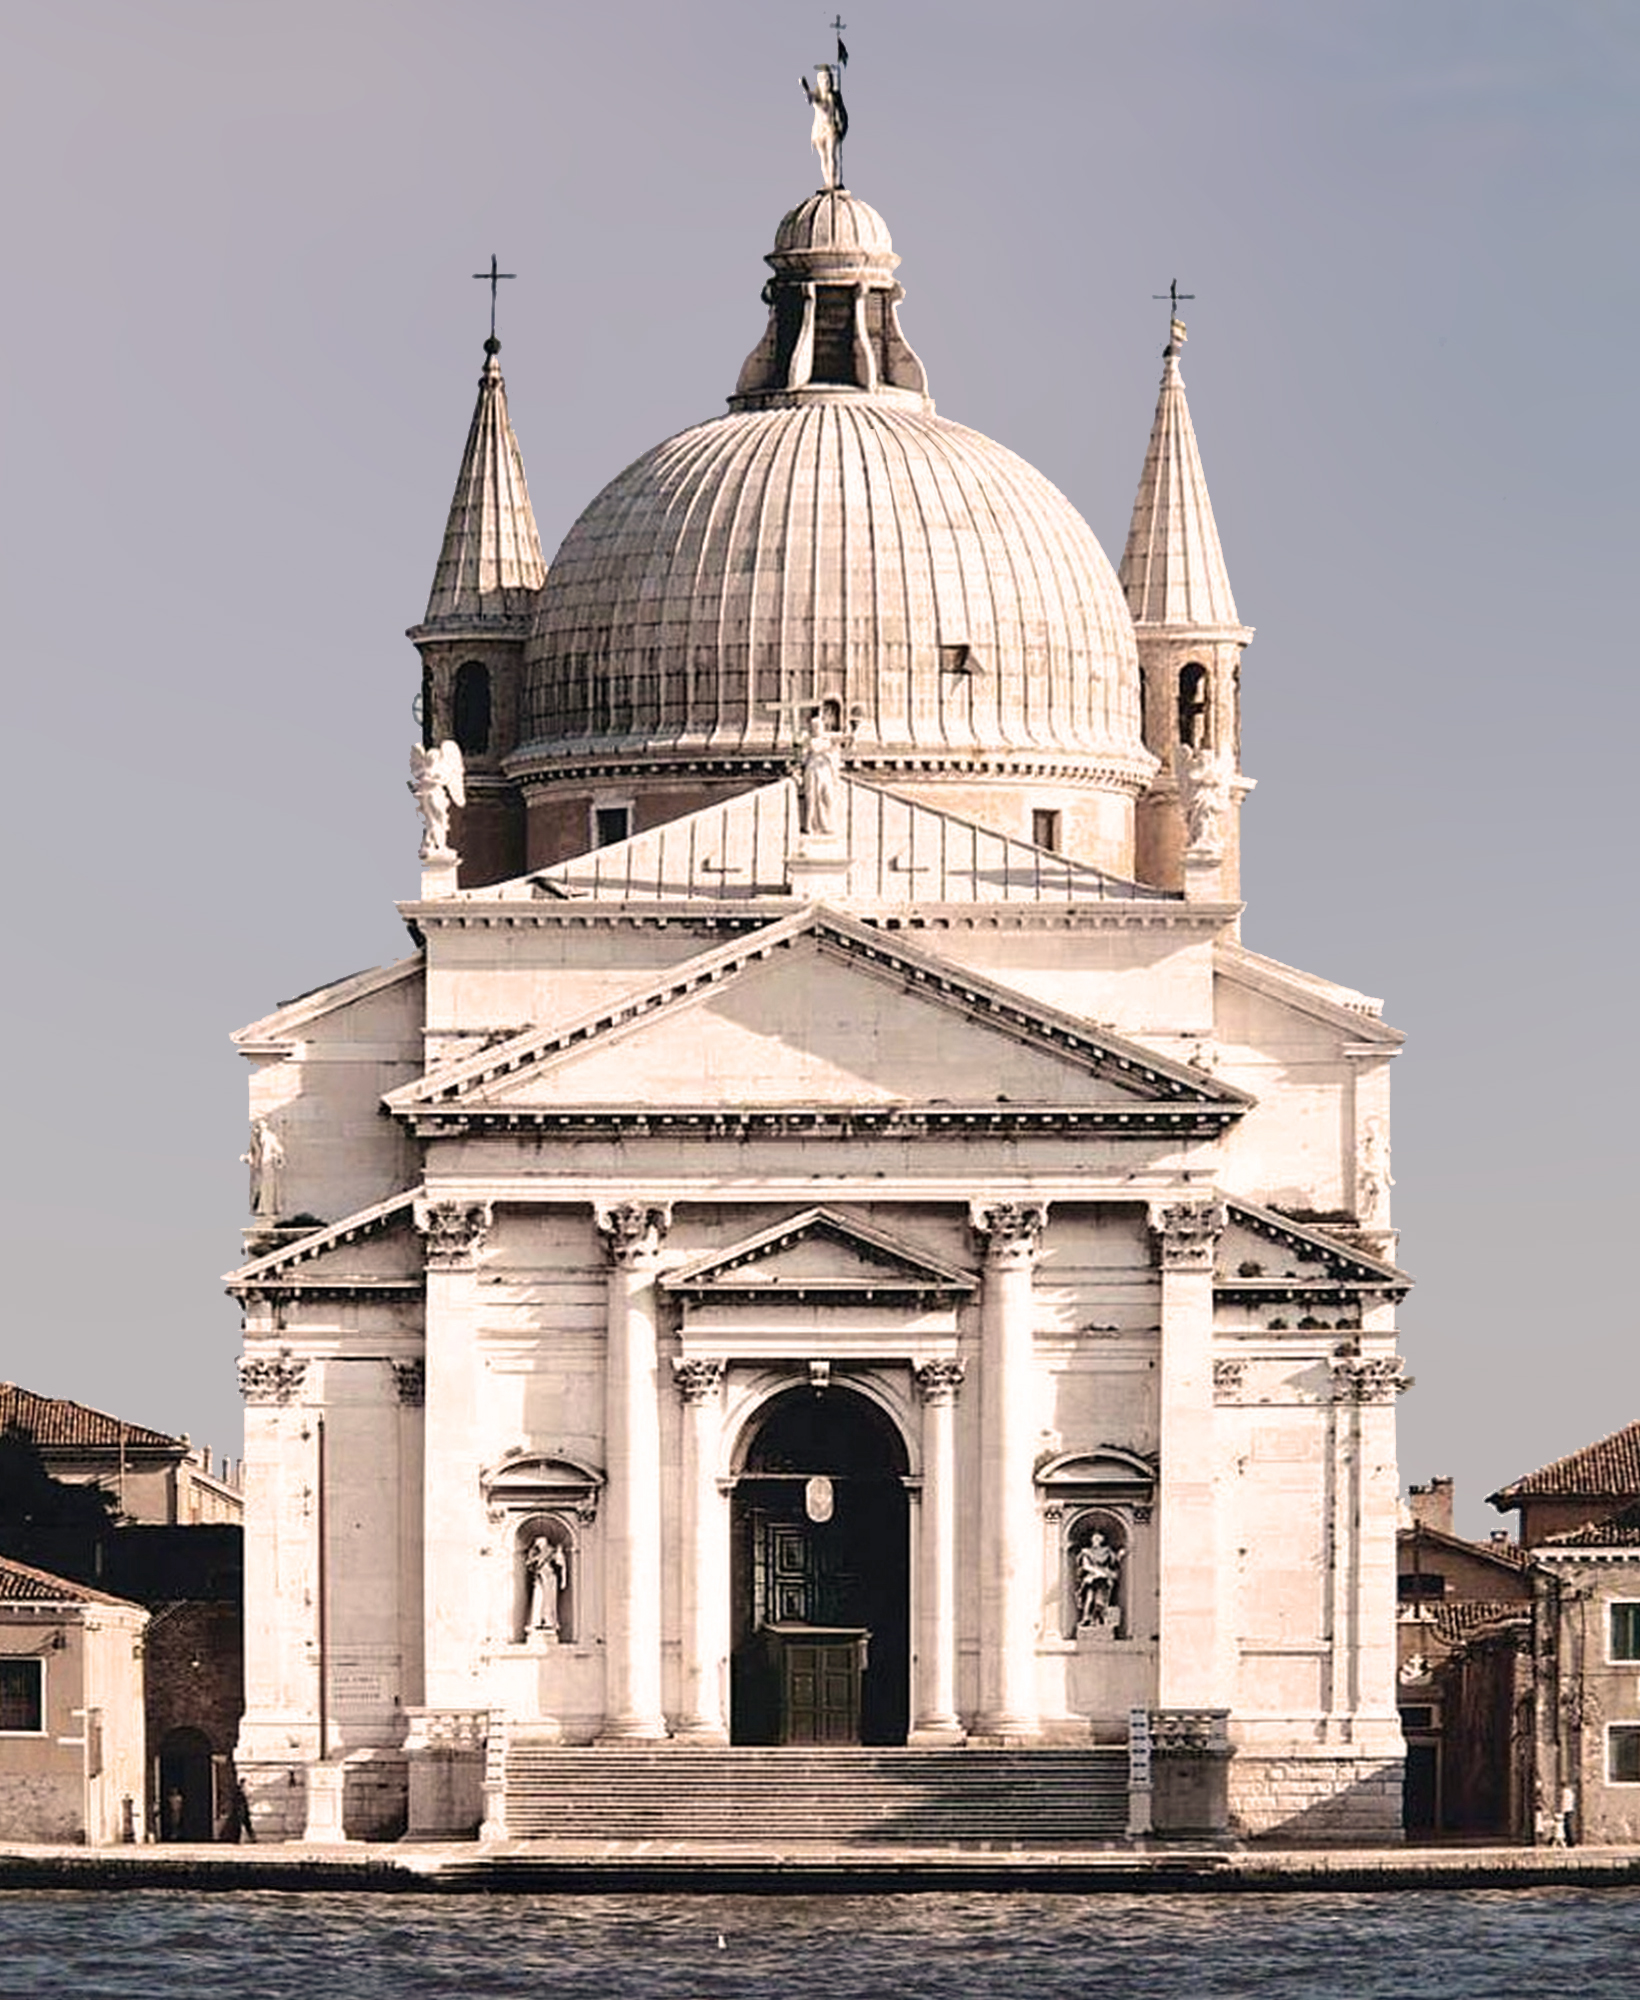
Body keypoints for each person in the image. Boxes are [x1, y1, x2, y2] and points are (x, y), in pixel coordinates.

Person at [801, 64, 848, 189]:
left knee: (832, 155)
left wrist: (841, 127)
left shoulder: (834, 97)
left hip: (831, 129)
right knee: (823, 157)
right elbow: (814, 101)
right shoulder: (818, 96)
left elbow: (841, 114)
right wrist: (806, 89)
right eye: (823, 80)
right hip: (819, 131)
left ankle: (833, 183)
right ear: (819, 82)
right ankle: (828, 182)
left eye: (828, 80)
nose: (826, 83)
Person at [800, 708, 843, 837]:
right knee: (812, 798)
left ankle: (826, 824)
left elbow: (834, 750)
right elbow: (807, 753)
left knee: (827, 797)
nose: (817, 729)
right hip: (813, 769)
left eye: (819, 726)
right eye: (815, 727)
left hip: (825, 770)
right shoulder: (809, 740)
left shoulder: (827, 739)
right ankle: (809, 825)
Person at [1075, 1532, 1123, 1628]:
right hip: (1092, 1578)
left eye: (1098, 1539)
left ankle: (1098, 1620)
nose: (1095, 1541)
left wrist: (1120, 1555)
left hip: (1103, 1579)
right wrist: (1097, 1572)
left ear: (1102, 1540)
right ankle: (1086, 1618)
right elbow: (1085, 1566)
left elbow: (1114, 1563)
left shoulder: (1107, 1551)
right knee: (1089, 1599)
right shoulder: (1086, 1552)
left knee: (1100, 1601)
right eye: (1094, 1539)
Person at [525, 1535, 567, 1636]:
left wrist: (563, 1580)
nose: (537, 1545)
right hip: (539, 1578)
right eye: (537, 1544)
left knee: (549, 1600)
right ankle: (536, 1621)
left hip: (549, 1578)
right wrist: (533, 1560)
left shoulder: (552, 1551)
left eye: (539, 1543)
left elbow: (561, 1565)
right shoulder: (536, 1554)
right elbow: (529, 1564)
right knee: (538, 1600)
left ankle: (549, 1621)